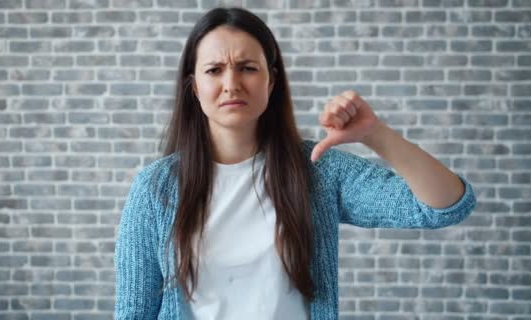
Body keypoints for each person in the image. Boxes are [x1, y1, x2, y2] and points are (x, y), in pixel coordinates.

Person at [114, 7, 477, 320]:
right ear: (194, 87)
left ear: (271, 80)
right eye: (214, 70)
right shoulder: (155, 189)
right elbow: (134, 312)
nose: (231, 83)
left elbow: (442, 207)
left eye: (247, 68)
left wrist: (375, 134)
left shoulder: (318, 170)